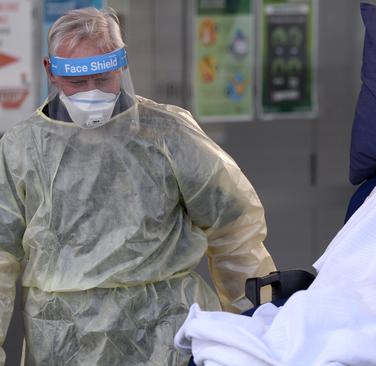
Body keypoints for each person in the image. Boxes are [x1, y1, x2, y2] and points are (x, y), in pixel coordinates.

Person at [0, 7, 275, 365]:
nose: (92, 93)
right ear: (50, 71)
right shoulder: (22, 149)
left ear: (121, 65)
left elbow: (235, 230)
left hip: (167, 336)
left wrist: (256, 328)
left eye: (103, 79)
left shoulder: (168, 134)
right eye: (77, 83)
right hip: (64, 343)